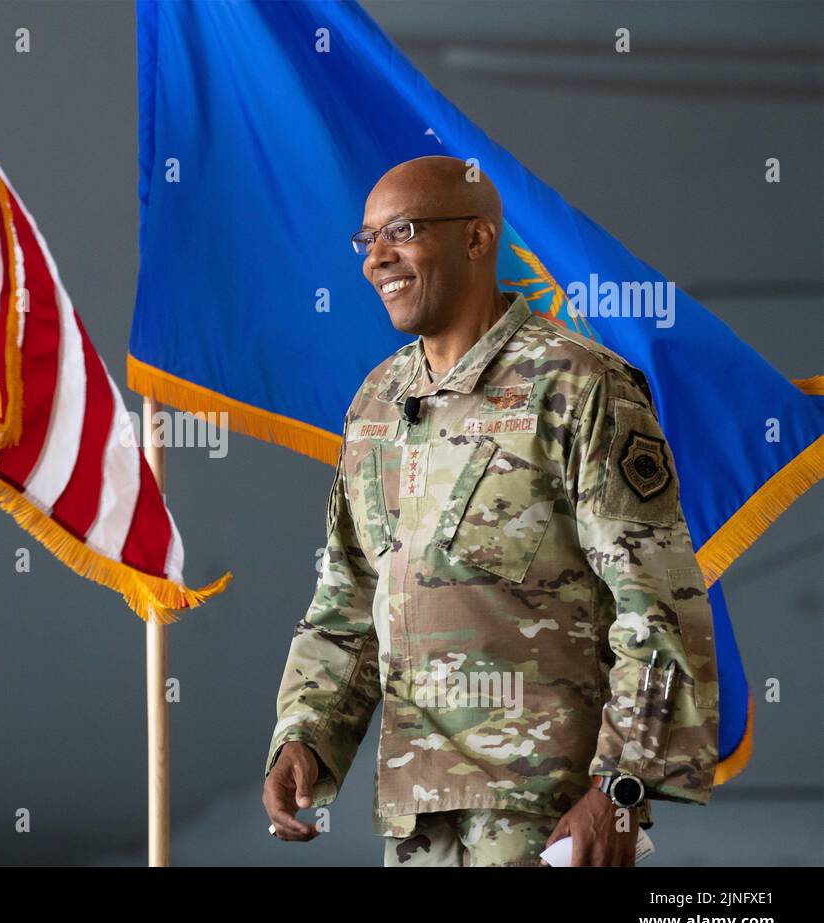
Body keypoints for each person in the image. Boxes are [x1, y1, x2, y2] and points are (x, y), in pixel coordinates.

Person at [261, 156, 719, 867]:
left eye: (402, 232)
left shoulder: (580, 385)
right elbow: (347, 598)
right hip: (415, 812)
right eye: (367, 240)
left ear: (477, 240)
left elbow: (657, 604)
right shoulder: (376, 403)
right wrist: (305, 736)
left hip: (548, 810)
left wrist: (621, 789)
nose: (376, 258)